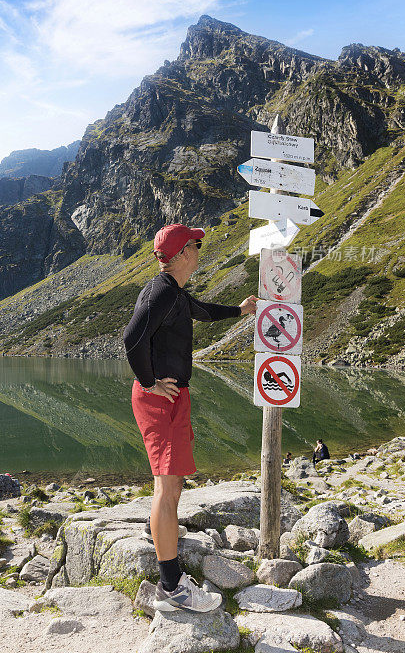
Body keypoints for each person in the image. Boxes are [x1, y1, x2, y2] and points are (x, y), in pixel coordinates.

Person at [123, 223, 258, 612]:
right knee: (166, 491)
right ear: (182, 253)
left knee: (173, 486)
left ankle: (170, 567)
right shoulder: (161, 291)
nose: (200, 250)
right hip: (160, 401)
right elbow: (131, 338)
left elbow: (202, 311)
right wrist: (148, 382)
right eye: (196, 245)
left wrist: (240, 310)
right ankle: (171, 588)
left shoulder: (174, 293)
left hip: (173, 397)